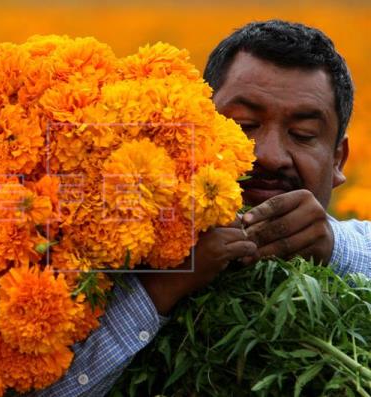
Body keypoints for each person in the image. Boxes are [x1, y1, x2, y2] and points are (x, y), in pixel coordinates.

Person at [32, 20, 371, 397]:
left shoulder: (347, 261)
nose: (269, 155)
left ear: (338, 159)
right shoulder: (104, 254)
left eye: (303, 134)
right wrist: (162, 288)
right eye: (243, 125)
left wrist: (332, 247)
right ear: (195, 129)